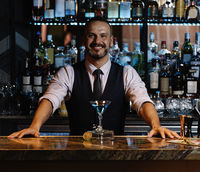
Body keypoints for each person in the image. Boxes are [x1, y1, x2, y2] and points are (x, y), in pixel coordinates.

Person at [8, 17, 179, 139]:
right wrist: (35, 126)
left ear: (111, 41)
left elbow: (142, 102)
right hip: (77, 157)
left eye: (103, 36)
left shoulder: (127, 73)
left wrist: (155, 125)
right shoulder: (68, 72)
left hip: (117, 156)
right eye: (92, 35)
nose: (98, 41)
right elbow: (50, 99)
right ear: (84, 40)